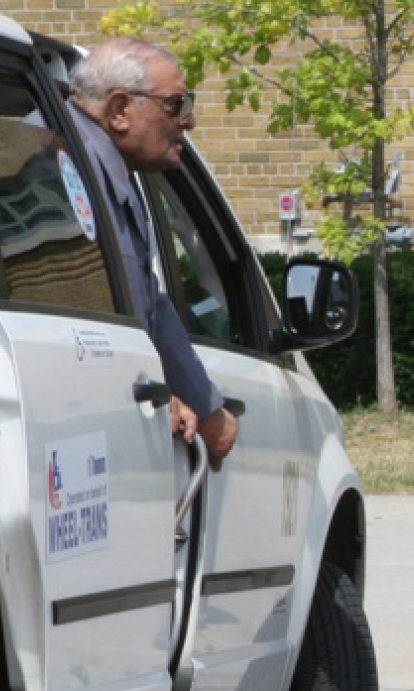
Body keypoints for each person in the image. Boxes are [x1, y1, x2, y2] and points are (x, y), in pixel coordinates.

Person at [68, 38, 237, 465]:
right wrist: (148, 394)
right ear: (120, 109)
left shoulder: (107, 170)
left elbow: (145, 299)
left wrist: (201, 402)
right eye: (175, 104)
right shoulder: (58, 166)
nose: (190, 121)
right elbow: (79, 319)